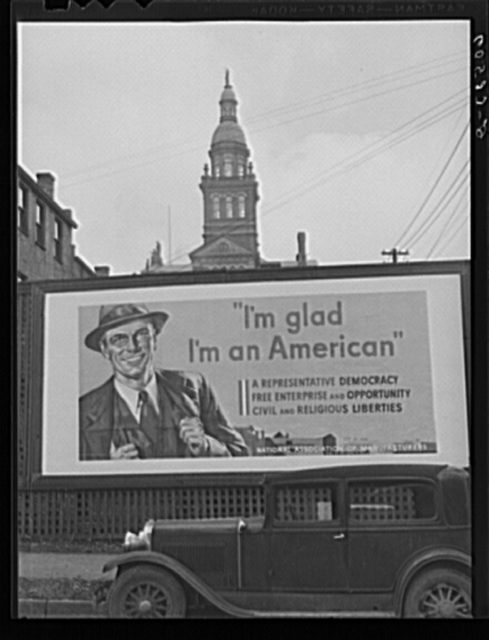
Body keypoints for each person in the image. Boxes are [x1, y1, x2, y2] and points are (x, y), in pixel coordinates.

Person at [79, 302, 249, 460]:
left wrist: (206, 446)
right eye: (119, 339)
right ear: (105, 349)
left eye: (141, 334)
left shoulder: (194, 387)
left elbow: (240, 455)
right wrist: (108, 474)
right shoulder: (84, 410)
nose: (132, 347)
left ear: (155, 339)